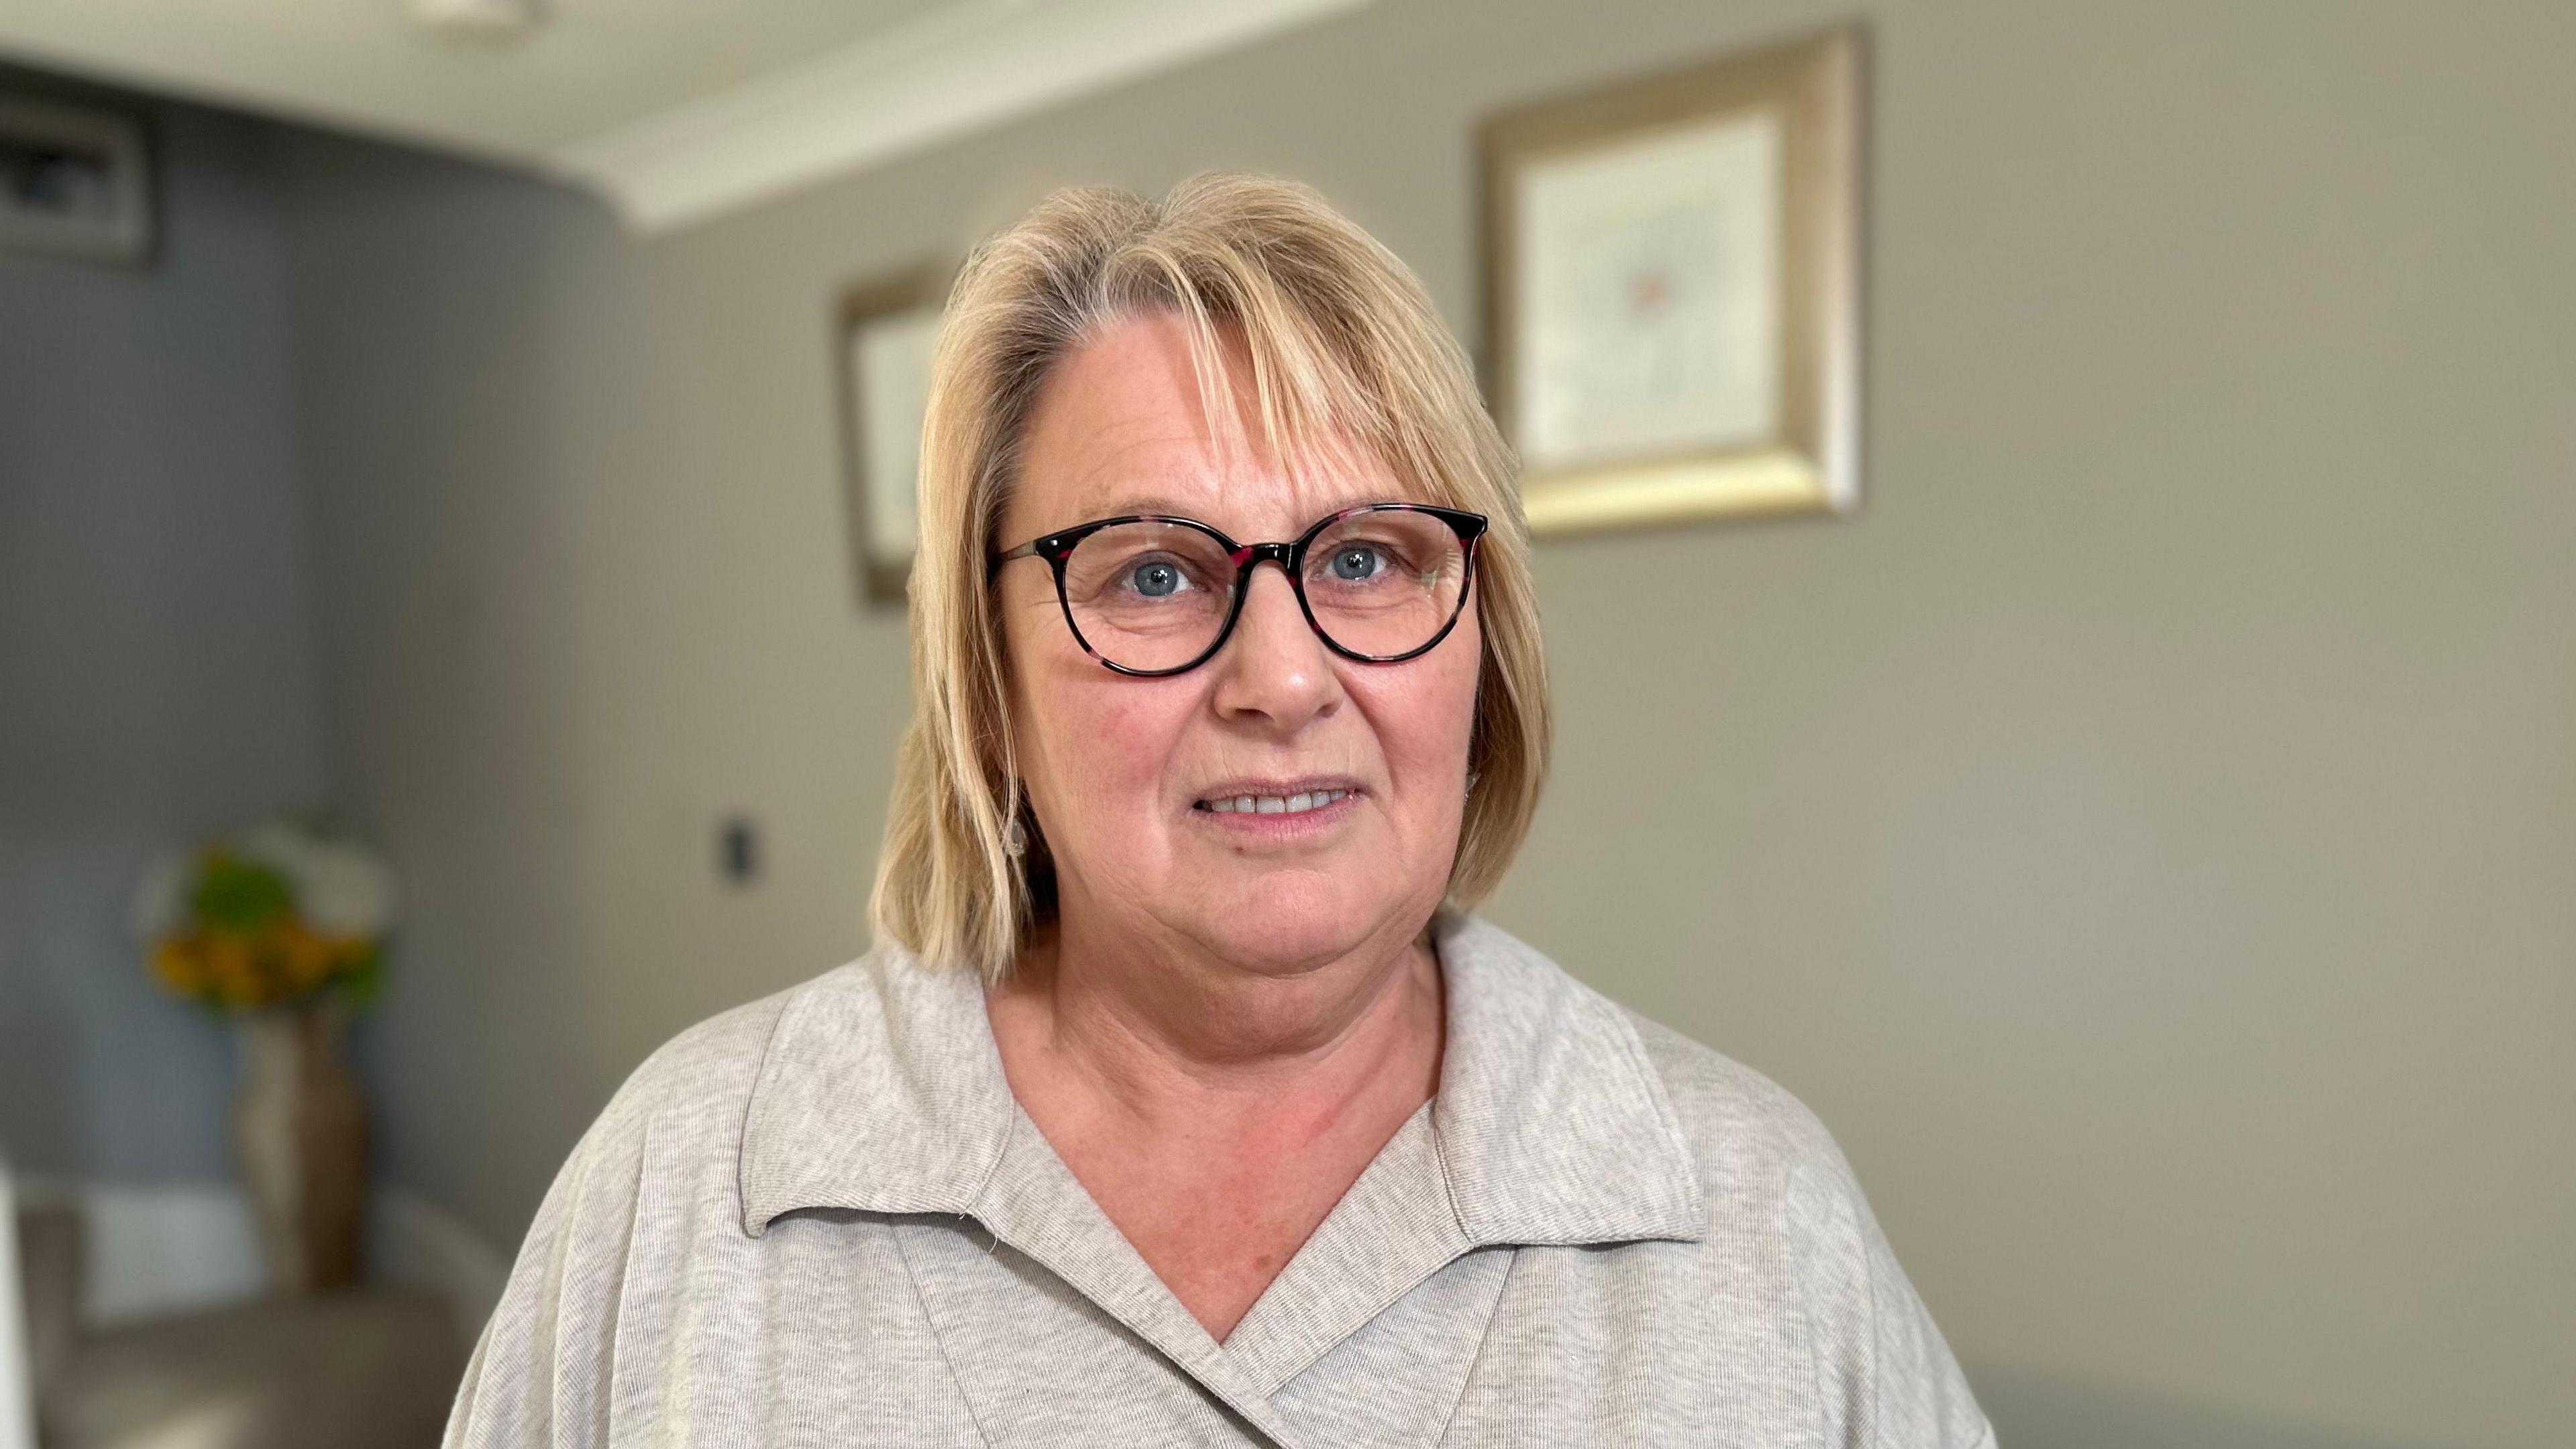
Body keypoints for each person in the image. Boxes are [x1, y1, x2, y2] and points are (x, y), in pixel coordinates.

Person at [444, 174, 1994, 1447]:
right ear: (988, 679)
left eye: (1367, 559)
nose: (1283, 677)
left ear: (1483, 648)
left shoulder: (1753, 1215)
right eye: (1157, 572)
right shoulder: (686, 1191)